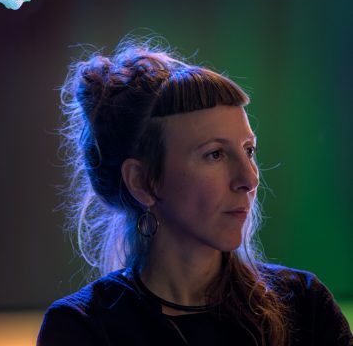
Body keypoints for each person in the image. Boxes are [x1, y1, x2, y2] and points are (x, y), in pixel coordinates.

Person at [37, 39, 352, 345]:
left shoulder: (304, 307)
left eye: (249, 150)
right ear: (142, 181)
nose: (249, 178)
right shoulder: (81, 328)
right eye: (215, 154)